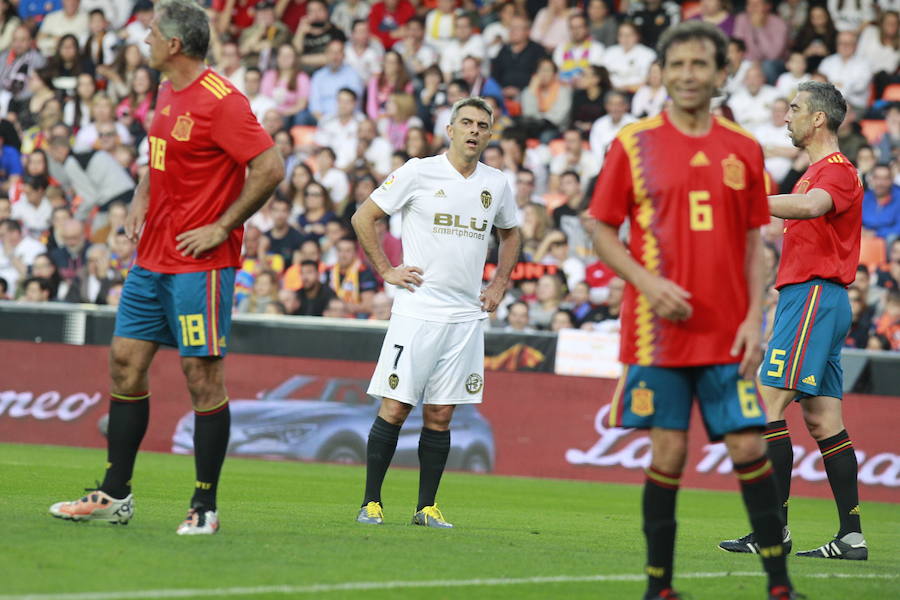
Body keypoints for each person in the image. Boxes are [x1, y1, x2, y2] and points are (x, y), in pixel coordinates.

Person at [48, 0, 284, 535]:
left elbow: (270, 168)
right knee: (125, 364)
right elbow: (161, 155)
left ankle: (205, 506)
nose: (145, 39)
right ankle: (114, 494)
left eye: (152, 32)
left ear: (175, 45)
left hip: (199, 265)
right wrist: (139, 194)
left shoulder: (222, 102)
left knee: (201, 377)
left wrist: (222, 227)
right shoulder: (164, 90)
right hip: (151, 258)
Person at [588, 22, 796, 600]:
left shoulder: (745, 149)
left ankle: (779, 585)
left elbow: (756, 241)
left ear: (720, 72)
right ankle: (660, 588)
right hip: (658, 332)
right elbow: (600, 228)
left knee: (749, 447)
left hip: (729, 331)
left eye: (699, 65)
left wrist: (756, 319)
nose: (687, 75)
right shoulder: (633, 144)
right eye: (676, 64)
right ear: (662, 71)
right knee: (670, 452)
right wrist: (645, 282)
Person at [351, 96, 521, 528]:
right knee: (396, 405)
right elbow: (363, 216)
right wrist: (387, 270)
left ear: (489, 133)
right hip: (418, 310)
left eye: (483, 125)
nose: (474, 130)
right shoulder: (417, 171)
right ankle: (371, 501)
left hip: (465, 317)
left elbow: (511, 234)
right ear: (449, 129)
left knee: (442, 412)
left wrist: (499, 283)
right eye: (466, 122)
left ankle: (426, 507)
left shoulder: (496, 183)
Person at [719, 81, 867, 562]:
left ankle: (773, 531)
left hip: (812, 297)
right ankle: (851, 536)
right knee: (824, 421)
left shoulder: (836, 173)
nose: (788, 115)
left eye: (796, 108)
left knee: (766, 403)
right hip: (813, 299)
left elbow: (810, 208)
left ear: (819, 118)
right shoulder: (811, 173)